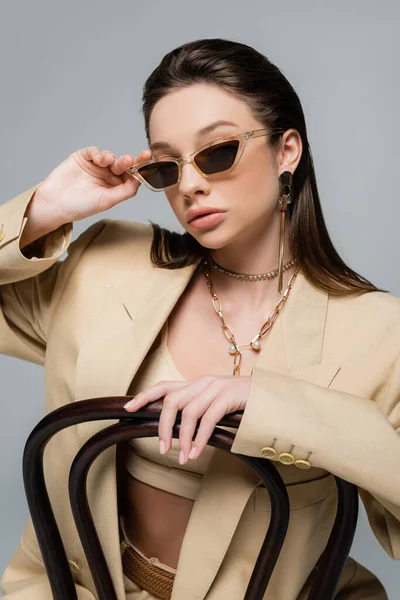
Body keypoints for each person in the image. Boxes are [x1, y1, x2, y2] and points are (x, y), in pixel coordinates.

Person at [1, 37, 399, 600]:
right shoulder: (109, 267)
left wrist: (276, 407)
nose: (189, 184)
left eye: (217, 152)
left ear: (287, 151)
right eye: (166, 167)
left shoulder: (378, 334)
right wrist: (45, 208)